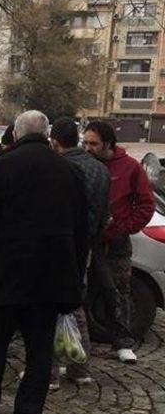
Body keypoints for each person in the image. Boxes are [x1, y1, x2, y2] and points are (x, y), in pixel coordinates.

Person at [0, 110, 88, 414]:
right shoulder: (70, 173)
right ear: (46, 135)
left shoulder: (0, 167)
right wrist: (74, 275)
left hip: (2, 277)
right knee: (40, 353)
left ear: (15, 134)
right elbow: (82, 232)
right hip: (49, 281)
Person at [82, 120, 155, 364]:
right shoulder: (84, 165)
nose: (88, 148)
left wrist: (124, 228)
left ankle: (123, 343)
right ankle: (79, 343)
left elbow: (146, 204)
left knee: (119, 292)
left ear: (108, 144)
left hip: (114, 243)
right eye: (85, 142)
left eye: (93, 143)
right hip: (86, 240)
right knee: (81, 292)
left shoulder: (129, 167)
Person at [49, 117, 110, 388]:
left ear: (55, 141)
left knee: (50, 307)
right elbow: (102, 215)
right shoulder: (100, 171)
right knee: (76, 305)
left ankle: (48, 372)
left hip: (59, 247)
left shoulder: (58, 168)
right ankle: (80, 367)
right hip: (84, 246)